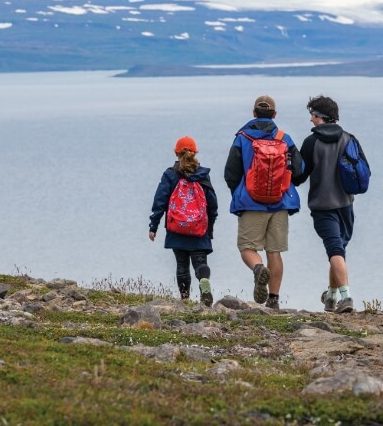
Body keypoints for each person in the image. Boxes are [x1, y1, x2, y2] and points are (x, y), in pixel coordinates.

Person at [224, 95, 303, 310]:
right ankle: (274, 299)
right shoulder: (284, 138)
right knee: (274, 251)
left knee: (247, 247)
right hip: (280, 203)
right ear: (275, 115)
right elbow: (299, 170)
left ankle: (258, 269)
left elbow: (230, 173)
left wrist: (239, 194)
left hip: (250, 203)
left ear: (253, 113)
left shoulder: (242, 137)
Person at [293, 95, 362, 313]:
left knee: (335, 250)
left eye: (312, 115)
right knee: (338, 251)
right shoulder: (350, 139)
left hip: (323, 207)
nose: (310, 120)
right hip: (346, 205)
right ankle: (331, 298)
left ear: (319, 116)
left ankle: (346, 298)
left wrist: (292, 161)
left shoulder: (311, 142)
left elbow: (299, 177)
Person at [149, 136, 219, 306]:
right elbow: (212, 203)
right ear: (195, 153)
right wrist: (210, 227)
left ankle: (185, 299)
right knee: (200, 262)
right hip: (199, 229)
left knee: (182, 264)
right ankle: (204, 283)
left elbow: (160, 201)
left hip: (176, 229)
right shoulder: (202, 175)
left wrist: (154, 225)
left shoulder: (170, 174)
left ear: (176, 152)